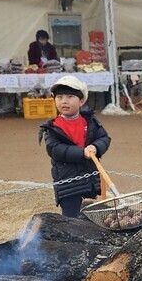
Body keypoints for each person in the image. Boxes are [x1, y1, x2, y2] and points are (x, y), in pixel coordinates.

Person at [39, 76, 111, 218]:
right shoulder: (52, 127)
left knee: (94, 214)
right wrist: (81, 152)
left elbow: (104, 138)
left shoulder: (90, 121)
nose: (64, 101)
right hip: (67, 182)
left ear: (81, 101)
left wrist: (96, 147)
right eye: (59, 97)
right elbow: (55, 149)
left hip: (89, 177)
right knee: (70, 217)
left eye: (70, 97)